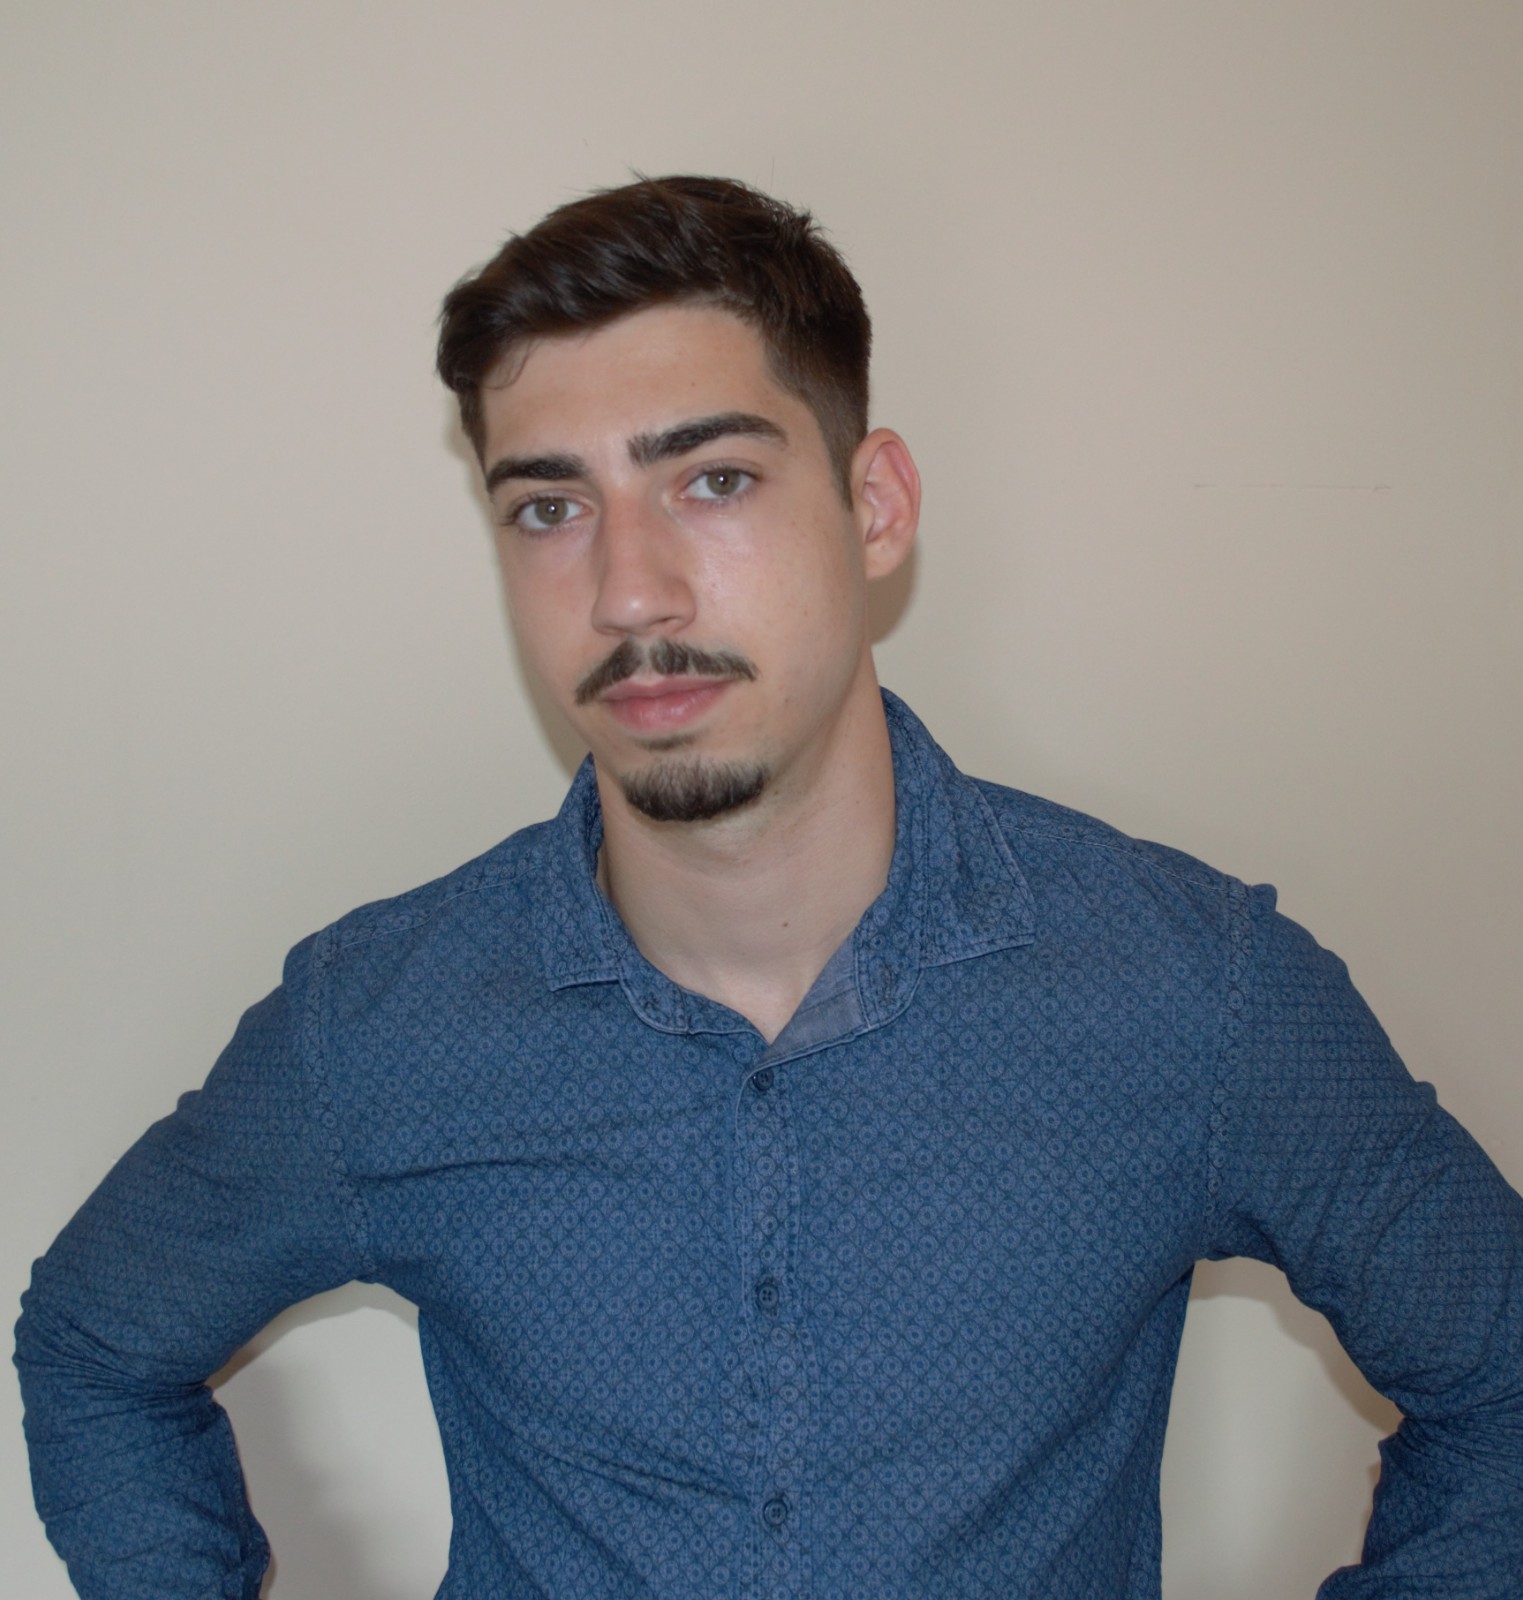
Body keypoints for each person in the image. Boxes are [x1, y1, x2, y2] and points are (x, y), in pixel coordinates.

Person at [15, 175, 1523, 1600]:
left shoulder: (1191, 989)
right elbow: (94, 1346)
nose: (629, 591)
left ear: (876, 506)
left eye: (714, 479)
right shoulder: (377, 1026)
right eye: (549, 508)